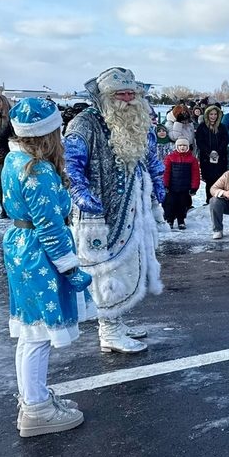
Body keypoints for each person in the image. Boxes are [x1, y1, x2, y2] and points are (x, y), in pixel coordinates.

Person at [3, 98, 94, 437]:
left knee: (30, 332)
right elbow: (50, 227)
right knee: (38, 334)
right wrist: (71, 269)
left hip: (20, 246)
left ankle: (34, 397)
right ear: (48, 133)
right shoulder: (37, 171)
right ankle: (36, 410)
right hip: (38, 254)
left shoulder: (15, 159)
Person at [64, 67, 163, 355]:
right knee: (106, 269)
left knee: (129, 265)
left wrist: (158, 182)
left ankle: (117, 321)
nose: (128, 98)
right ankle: (109, 330)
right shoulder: (85, 123)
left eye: (132, 93)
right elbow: (72, 166)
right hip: (99, 212)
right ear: (105, 96)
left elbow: (151, 156)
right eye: (121, 93)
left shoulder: (139, 119)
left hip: (134, 209)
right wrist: (81, 193)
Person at [161, 138, 200, 230]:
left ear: (187, 147)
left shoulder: (192, 159)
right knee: (169, 204)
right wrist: (165, 185)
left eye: (184, 146)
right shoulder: (170, 158)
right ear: (176, 146)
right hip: (172, 187)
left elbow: (195, 174)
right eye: (180, 145)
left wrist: (194, 187)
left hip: (185, 188)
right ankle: (169, 220)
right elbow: (166, 172)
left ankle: (181, 220)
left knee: (183, 204)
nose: (182, 147)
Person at [195, 104, 229, 204]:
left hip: (220, 157)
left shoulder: (222, 127)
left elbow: (225, 140)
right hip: (206, 157)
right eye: (211, 114)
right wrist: (209, 152)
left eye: (215, 114)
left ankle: (219, 200)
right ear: (207, 115)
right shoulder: (202, 127)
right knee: (209, 180)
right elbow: (200, 141)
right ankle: (209, 200)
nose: (213, 116)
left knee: (219, 179)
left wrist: (218, 151)